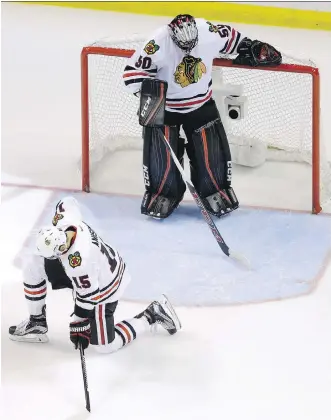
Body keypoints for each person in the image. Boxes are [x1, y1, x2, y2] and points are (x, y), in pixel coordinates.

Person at [123, 14, 281, 219]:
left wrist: (253, 48)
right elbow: (131, 74)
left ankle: (215, 189)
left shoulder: (207, 30)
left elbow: (232, 39)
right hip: (166, 108)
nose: (187, 50)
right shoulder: (157, 42)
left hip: (200, 103)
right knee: (161, 158)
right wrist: (151, 99)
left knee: (212, 152)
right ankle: (162, 193)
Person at [9, 197, 181, 352]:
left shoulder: (79, 263)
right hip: (94, 270)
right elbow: (68, 202)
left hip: (104, 287)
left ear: (60, 249)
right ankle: (36, 322)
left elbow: (88, 297)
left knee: (105, 347)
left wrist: (78, 325)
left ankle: (151, 315)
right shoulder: (67, 222)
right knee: (33, 264)